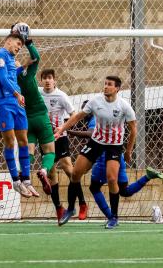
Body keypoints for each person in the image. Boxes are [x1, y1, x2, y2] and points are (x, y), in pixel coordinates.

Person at [68, 100, 163, 229]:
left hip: (104, 159)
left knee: (95, 188)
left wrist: (70, 132)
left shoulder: (95, 118)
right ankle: (147, 176)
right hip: (118, 157)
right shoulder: (106, 116)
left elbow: (91, 135)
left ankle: (111, 217)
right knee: (124, 191)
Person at [54, 76, 136, 226]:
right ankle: (71, 208)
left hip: (114, 145)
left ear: (117, 88)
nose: (106, 87)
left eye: (109, 85)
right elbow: (78, 117)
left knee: (112, 179)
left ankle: (114, 218)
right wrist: (62, 129)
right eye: (105, 84)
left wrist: (128, 151)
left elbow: (133, 130)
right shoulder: (95, 101)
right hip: (96, 142)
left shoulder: (124, 106)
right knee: (75, 173)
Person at [40, 69, 88, 222]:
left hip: (60, 137)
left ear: (54, 81)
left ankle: (82, 203)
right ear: (41, 81)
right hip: (45, 138)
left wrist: (63, 128)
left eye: (50, 78)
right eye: (44, 78)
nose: (47, 81)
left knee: (69, 168)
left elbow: (74, 114)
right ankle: (59, 208)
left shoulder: (61, 96)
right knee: (51, 173)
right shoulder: (38, 94)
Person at [12, 23, 53, 197]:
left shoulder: (11, 80)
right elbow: (36, 57)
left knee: (29, 150)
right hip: (41, 116)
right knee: (50, 151)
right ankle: (44, 170)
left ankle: (23, 176)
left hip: (26, 119)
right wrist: (28, 42)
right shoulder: (27, 74)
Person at [0, 32, 32, 198]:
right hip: (4, 103)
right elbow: (2, 78)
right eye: (17, 44)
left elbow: (13, 75)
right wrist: (16, 94)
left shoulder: (11, 59)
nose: (19, 47)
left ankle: (27, 180)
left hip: (18, 103)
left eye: (21, 46)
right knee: (10, 141)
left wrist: (25, 66)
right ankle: (16, 181)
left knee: (24, 140)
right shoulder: (0, 55)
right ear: (8, 41)